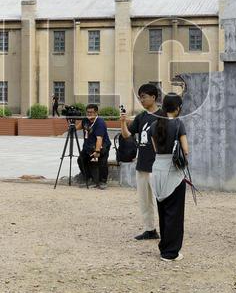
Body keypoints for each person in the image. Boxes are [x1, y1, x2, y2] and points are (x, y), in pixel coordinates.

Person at [120, 83, 163, 241]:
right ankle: (149, 229)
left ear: (153, 97)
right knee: (145, 200)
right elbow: (126, 135)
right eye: (140, 97)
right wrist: (123, 122)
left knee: (161, 199)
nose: (141, 100)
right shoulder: (141, 117)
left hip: (158, 165)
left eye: (144, 97)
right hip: (143, 164)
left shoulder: (163, 116)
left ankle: (166, 229)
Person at [150, 93, 189, 261]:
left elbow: (155, 148)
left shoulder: (154, 124)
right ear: (178, 108)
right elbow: (185, 150)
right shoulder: (178, 124)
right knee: (175, 212)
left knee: (163, 210)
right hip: (173, 170)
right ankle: (170, 252)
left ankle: (164, 247)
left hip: (157, 167)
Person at [77, 104, 111, 189]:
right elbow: (79, 126)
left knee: (102, 162)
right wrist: (72, 126)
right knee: (81, 160)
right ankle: (89, 179)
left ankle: (102, 181)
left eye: (91, 112)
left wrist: (97, 151)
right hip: (88, 146)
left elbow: (99, 138)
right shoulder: (85, 120)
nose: (89, 114)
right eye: (88, 112)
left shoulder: (100, 122)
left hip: (102, 146)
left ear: (96, 113)